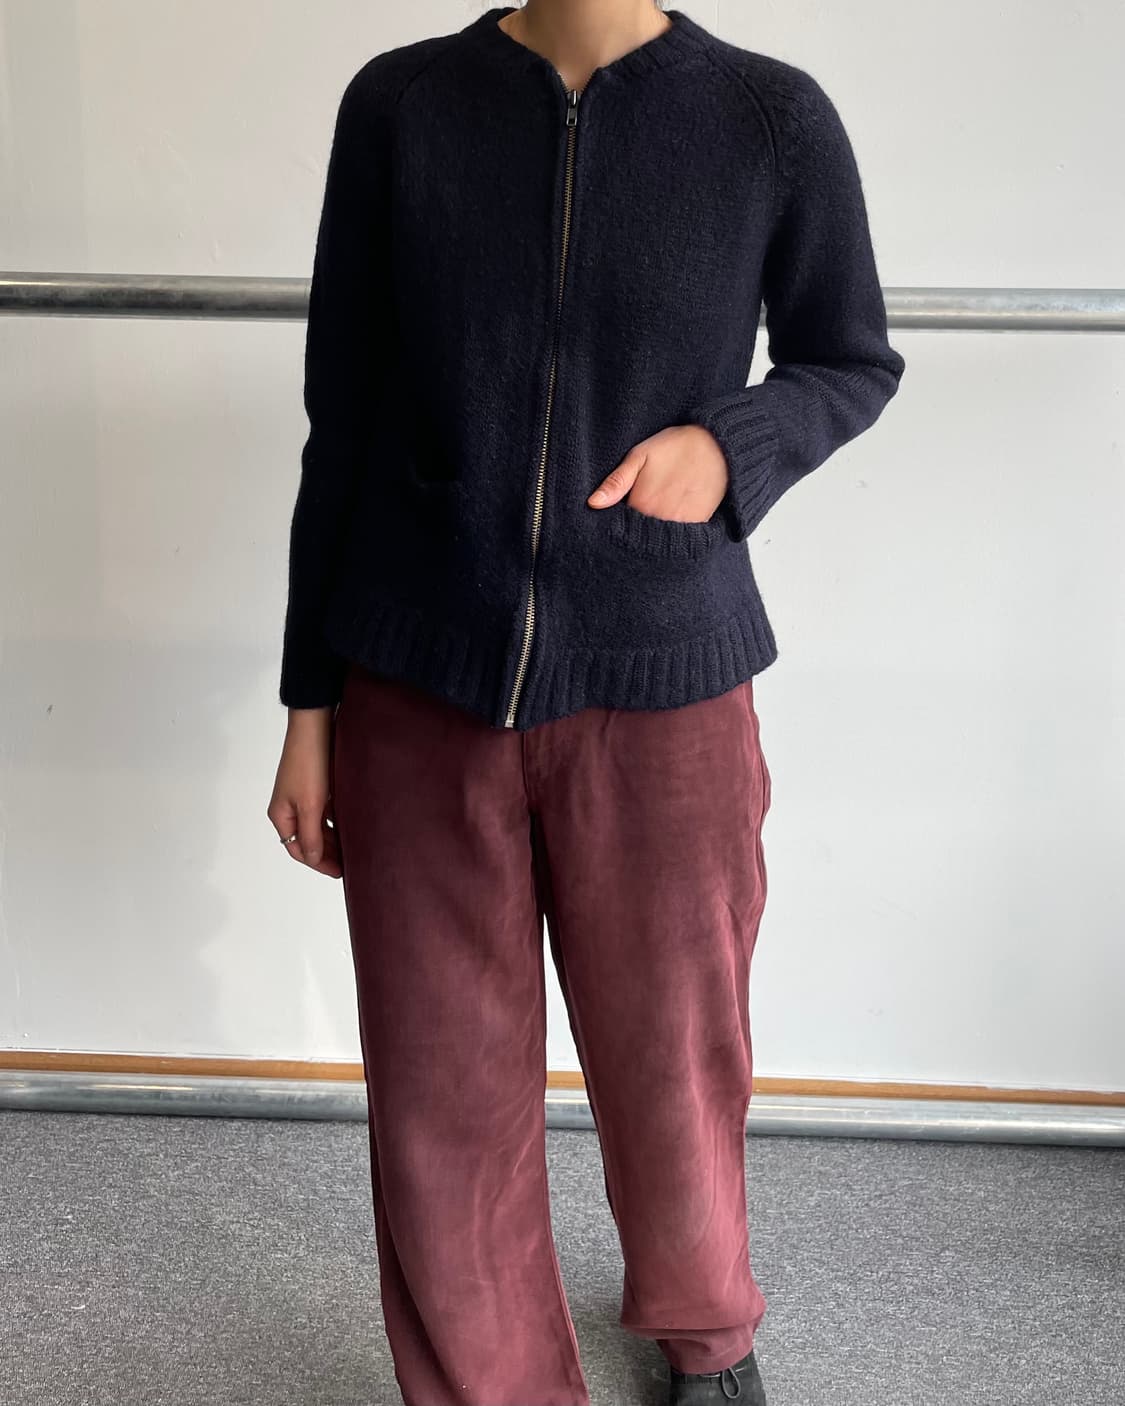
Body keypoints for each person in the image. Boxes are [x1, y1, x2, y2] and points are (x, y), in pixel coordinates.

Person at [267, 2, 905, 1403]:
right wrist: (309, 703)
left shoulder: (769, 116)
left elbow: (849, 358)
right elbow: (343, 416)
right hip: (417, 682)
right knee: (440, 1087)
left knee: (673, 1058)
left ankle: (706, 1333)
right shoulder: (403, 106)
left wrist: (728, 446)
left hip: (667, 687)